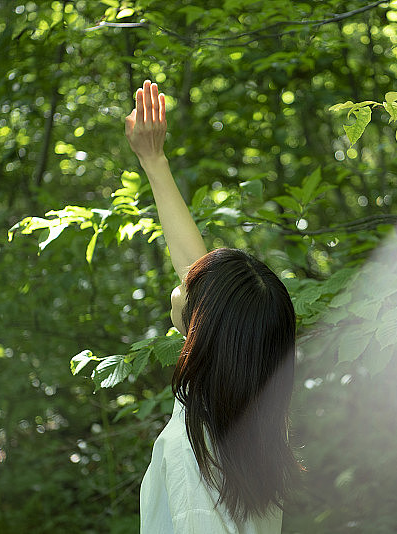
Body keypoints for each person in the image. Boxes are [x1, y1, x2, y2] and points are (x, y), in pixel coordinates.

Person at [125, 80, 299, 533]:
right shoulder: (250, 419)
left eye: (193, 289)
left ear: (207, 330)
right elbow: (192, 267)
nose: (183, 283)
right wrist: (153, 160)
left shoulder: (193, 451)